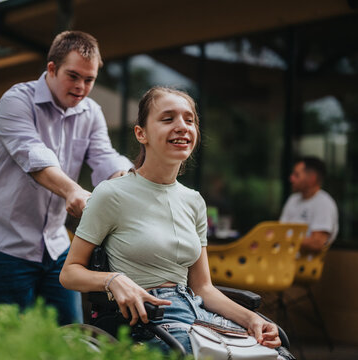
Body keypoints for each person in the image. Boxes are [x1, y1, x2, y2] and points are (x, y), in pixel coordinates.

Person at [60, 87, 283, 355]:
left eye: (189, 120)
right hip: (148, 320)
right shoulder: (112, 193)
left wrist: (252, 319)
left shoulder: (194, 201)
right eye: (168, 119)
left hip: (195, 313)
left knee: (274, 352)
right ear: (141, 133)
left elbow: (203, 288)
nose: (182, 127)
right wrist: (113, 280)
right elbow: (69, 272)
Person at [0, 31, 132, 325]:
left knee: (72, 333)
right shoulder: (16, 101)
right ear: (52, 69)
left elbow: (105, 158)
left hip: (55, 244)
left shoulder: (92, 112)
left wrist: (127, 180)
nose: (82, 87)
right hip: (3, 241)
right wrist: (72, 191)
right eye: (74, 76)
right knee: (15, 340)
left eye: (90, 79)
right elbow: (34, 158)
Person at [279, 156, 339, 253]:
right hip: (279, 257)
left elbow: (317, 243)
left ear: (312, 178)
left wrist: (283, 239)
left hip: (302, 264)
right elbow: (280, 230)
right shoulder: (293, 199)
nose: (291, 178)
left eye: (296, 175)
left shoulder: (324, 203)